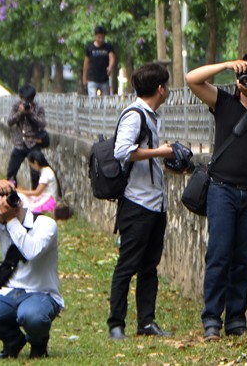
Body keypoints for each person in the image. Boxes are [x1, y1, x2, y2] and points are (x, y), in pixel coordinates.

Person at [185, 51, 247, 341]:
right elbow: (192, 79)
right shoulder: (224, 102)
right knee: (219, 254)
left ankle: (236, 318)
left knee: (242, 259)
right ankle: (212, 320)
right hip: (222, 191)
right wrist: (228, 64)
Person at [108, 63, 178, 340]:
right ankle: (116, 324)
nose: (168, 90)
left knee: (149, 266)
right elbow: (122, 151)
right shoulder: (135, 115)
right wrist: (159, 151)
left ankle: (146, 322)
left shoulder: (150, 115)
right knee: (127, 265)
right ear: (160, 89)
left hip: (154, 203)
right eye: (167, 86)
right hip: (137, 203)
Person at [0, 179, 62, 359]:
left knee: (32, 316)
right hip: (10, 292)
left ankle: (39, 343)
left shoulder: (45, 225)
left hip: (42, 293)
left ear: (19, 201)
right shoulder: (0, 224)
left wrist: (10, 220)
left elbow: (31, 251)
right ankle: (13, 339)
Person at [6, 84, 47, 190]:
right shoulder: (16, 107)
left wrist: (30, 114)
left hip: (33, 144)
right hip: (19, 144)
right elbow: (10, 122)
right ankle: (11, 194)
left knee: (35, 174)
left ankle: (35, 195)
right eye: (24, 99)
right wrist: (20, 113)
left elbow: (42, 124)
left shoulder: (38, 108)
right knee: (11, 172)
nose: (26, 103)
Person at [18, 150, 59, 214]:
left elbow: (37, 192)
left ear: (35, 163)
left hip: (48, 200)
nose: (31, 166)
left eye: (31, 164)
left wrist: (19, 191)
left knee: (21, 196)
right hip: (45, 197)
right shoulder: (46, 170)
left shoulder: (46, 173)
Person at [83, 25, 117, 96]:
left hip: (104, 79)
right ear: (95, 36)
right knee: (93, 101)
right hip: (92, 79)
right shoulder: (90, 47)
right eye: (99, 37)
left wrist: (110, 67)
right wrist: (84, 77)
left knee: (105, 101)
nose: (101, 39)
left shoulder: (108, 47)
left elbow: (112, 58)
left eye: (102, 37)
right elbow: (86, 63)